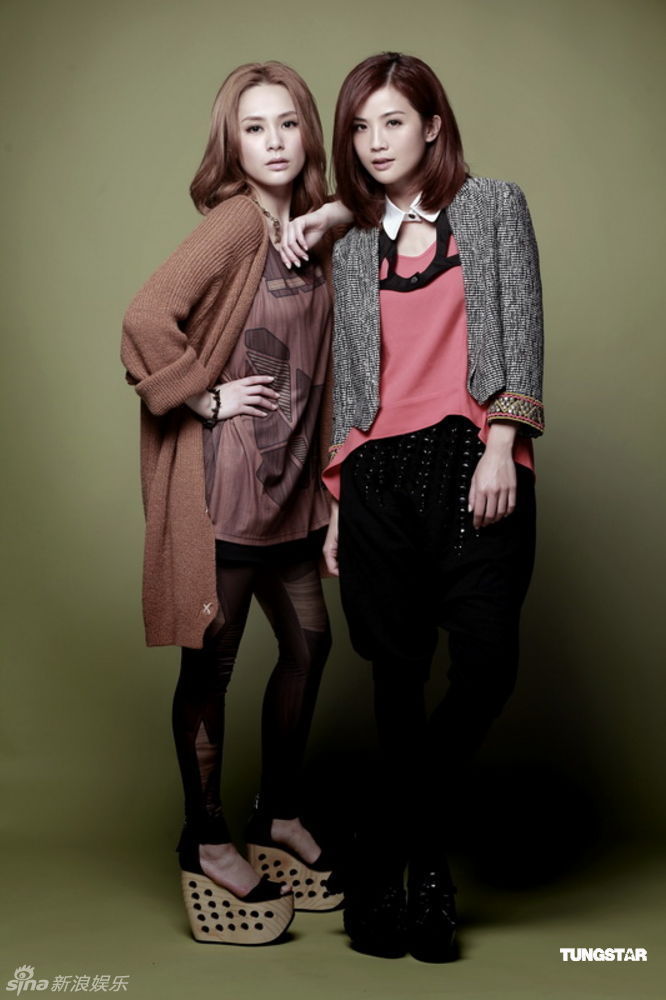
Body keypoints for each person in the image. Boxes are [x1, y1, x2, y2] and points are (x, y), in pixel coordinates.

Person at [281, 52, 543, 962]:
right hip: (378, 476)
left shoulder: (496, 207)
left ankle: (376, 849)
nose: (374, 141)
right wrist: (338, 501)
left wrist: (504, 440)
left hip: (477, 462)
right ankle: (424, 877)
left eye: (393, 121)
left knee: (486, 666)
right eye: (359, 127)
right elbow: (349, 380)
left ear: (433, 125)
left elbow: (523, 322)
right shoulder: (354, 244)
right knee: (395, 676)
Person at [120, 61, 343, 947]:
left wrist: (337, 213)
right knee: (212, 668)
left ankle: (277, 814)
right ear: (233, 144)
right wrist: (203, 397)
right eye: (255, 128)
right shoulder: (236, 223)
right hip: (227, 489)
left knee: (310, 646)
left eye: (288, 123)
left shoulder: (314, 230)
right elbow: (145, 317)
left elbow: (393, 206)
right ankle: (206, 836)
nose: (276, 142)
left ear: (308, 133)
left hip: (293, 488)